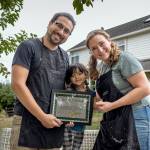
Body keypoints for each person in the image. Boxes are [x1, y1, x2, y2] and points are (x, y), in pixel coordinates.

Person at [10, 12, 76, 150]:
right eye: (59, 25)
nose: (61, 31)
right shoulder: (28, 47)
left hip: (53, 124)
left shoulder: (65, 56)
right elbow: (17, 85)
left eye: (66, 31)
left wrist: (69, 113)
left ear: (68, 36)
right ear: (50, 23)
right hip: (26, 124)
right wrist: (42, 116)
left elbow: (65, 89)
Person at [86, 29, 150, 150]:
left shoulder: (124, 59)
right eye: (94, 48)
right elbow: (103, 97)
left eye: (101, 43)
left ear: (109, 41)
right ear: (91, 52)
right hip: (114, 120)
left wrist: (112, 105)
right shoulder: (102, 67)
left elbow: (145, 88)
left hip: (136, 116)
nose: (99, 50)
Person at [62, 63, 96, 150]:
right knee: (67, 148)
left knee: (76, 148)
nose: (77, 77)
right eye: (73, 75)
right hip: (68, 127)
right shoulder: (67, 91)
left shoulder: (91, 93)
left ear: (86, 73)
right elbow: (63, 107)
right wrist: (66, 119)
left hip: (81, 126)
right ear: (69, 78)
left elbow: (94, 106)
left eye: (80, 74)